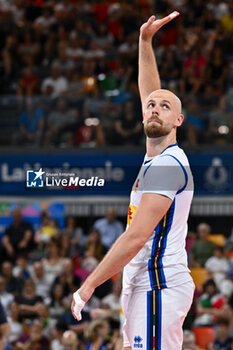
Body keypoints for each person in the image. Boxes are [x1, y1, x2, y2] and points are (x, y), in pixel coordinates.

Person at [72, 11, 195, 350]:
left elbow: (136, 236)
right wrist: (144, 42)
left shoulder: (169, 164)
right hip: (142, 282)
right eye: (151, 105)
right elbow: (149, 88)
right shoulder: (154, 158)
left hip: (159, 283)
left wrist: (88, 285)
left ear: (178, 120)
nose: (155, 108)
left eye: (165, 106)